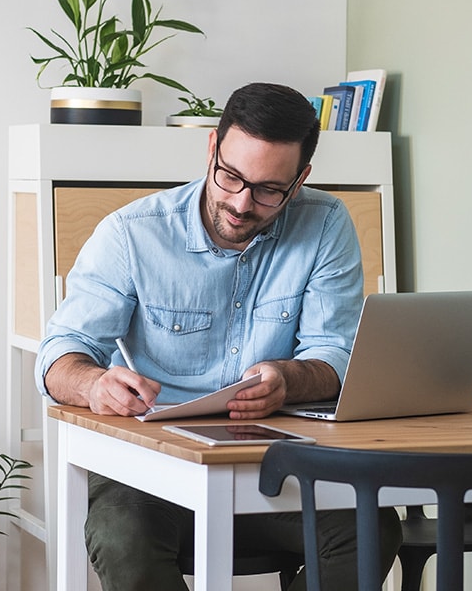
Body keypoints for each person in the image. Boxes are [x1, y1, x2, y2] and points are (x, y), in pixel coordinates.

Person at [35, 82, 402, 590]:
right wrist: (94, 384)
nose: (241, 203)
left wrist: (288, 379)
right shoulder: (132, 233)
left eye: (270, 189)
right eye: (229, 176)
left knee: (371, 527)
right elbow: (59, 354)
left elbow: (334, 355)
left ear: (300, 180)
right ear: (211, 148)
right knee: (122, 537)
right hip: (153, 470)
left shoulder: (325, 224)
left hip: (275, 467)